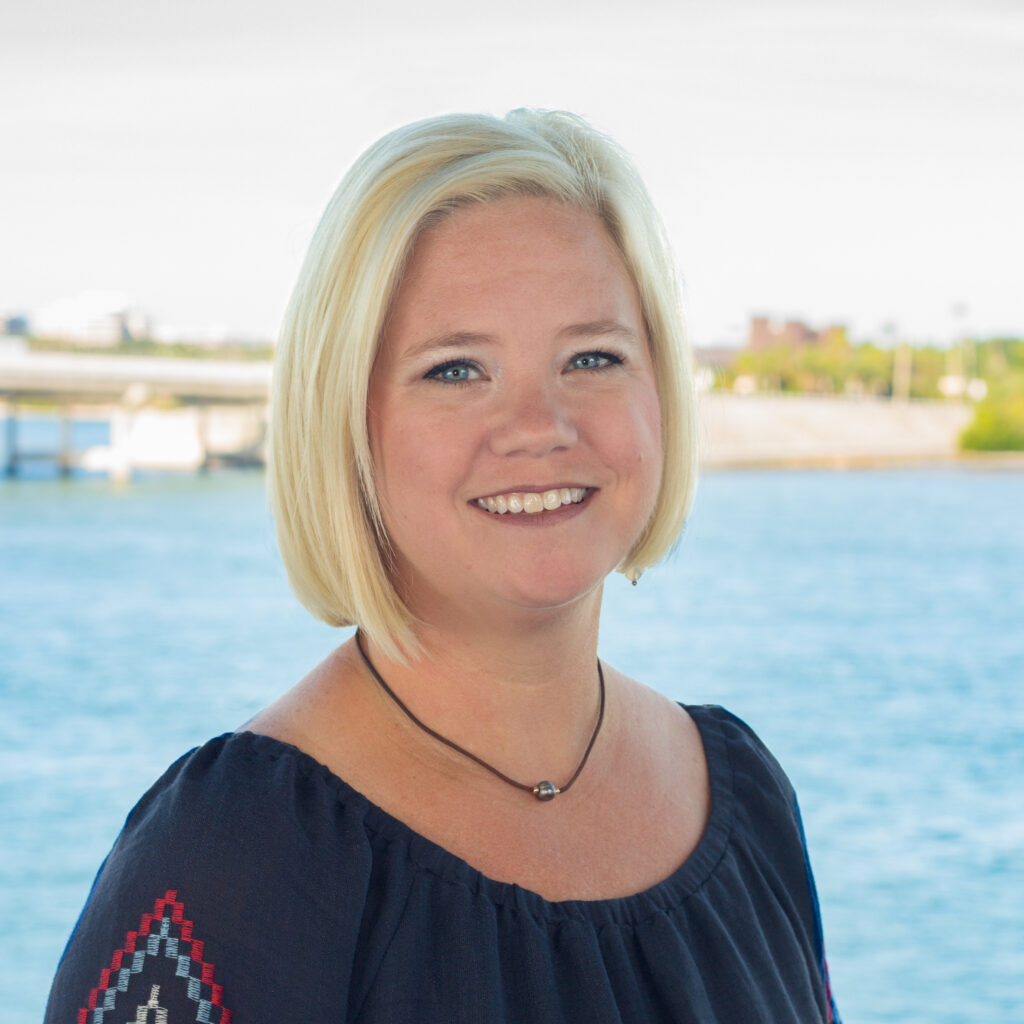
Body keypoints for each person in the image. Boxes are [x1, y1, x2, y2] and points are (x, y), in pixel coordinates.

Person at [46, 109, 839, 1023]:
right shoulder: (230, 859)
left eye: (592, 356)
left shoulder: (747, 798)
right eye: (456, 370)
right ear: (347, 420)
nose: (540, 426)